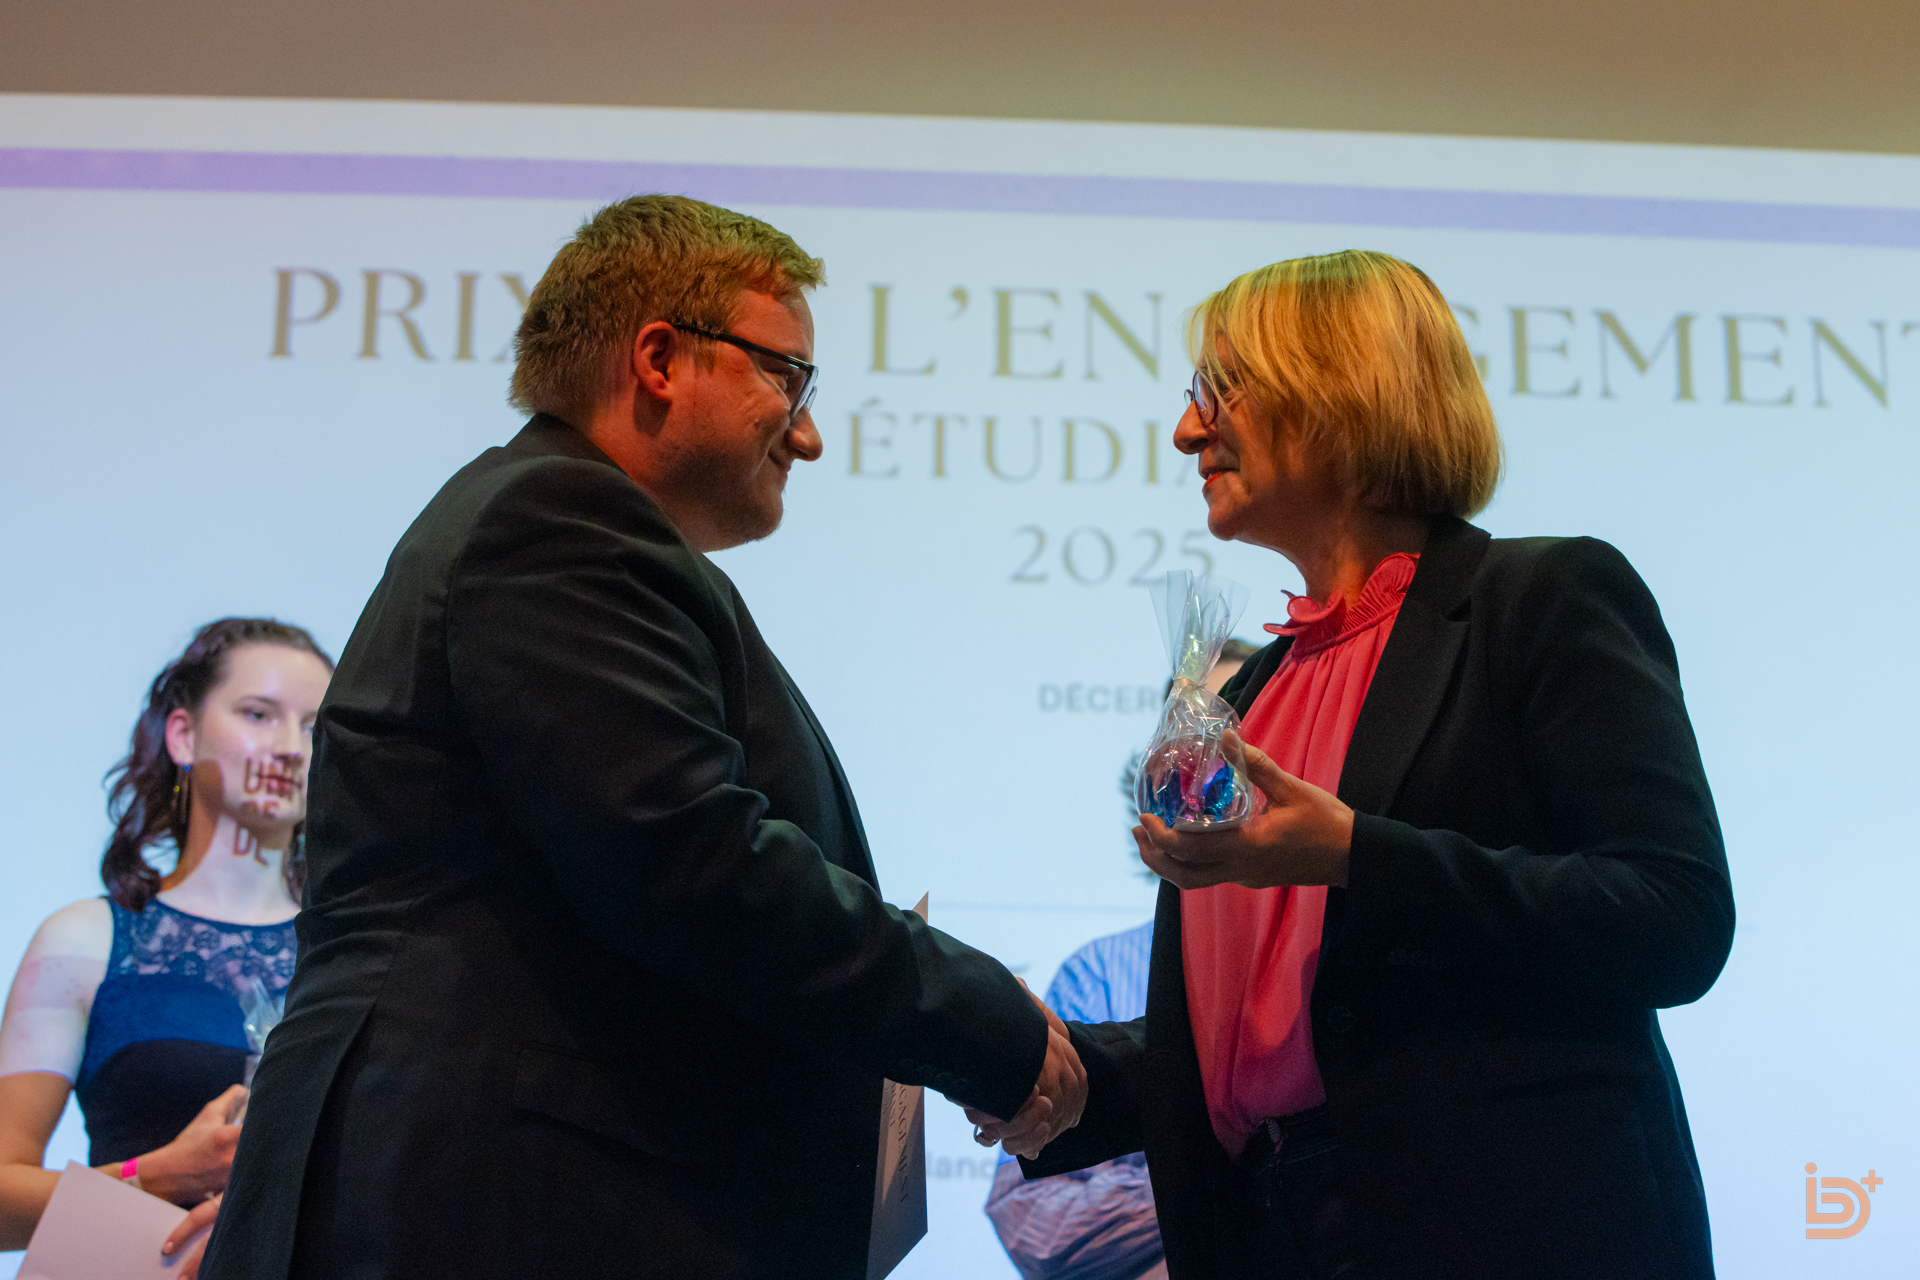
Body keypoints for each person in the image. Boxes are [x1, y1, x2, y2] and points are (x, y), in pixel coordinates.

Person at [200, 194, 1085, 1280]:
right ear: (661, 358)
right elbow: (690, 861)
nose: (807, 432)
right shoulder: (559, 520)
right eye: (788, 377)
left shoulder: (552, 521)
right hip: (495, 1206)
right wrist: (983, 1022)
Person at [994, 250, 1733, 1278]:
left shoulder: (1541, 599)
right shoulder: (1252, 693)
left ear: (1337, 390)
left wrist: (1355, 852)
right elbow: (1260, 1042)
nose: (1185, 429)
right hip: (1269, 1233)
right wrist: (1036, 1064)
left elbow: (1674, 915)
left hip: (1504, 1228)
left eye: (1218, 389)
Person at [0, 618, 333, 1276]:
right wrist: (158, 1175)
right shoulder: (85, 940)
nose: (291, 747)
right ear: (183, 734)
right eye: (259, 714)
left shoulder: (348, 952)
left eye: (314, 727)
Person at [987, 641, 1255, 1280]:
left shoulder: (1320, 944)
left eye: (1234, 740)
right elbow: (1035, 1219)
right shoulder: (1101, 973)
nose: (1210, 768)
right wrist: (1233, 1190)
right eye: (1190, 741)